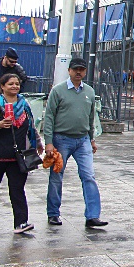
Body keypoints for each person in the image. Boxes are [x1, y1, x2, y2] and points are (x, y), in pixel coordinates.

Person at [45, 58, 108, 228]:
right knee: (57, 176)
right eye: (75, 69)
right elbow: (49, 117)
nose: (78, 72)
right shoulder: (58, 91)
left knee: (89, 176)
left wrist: (92, 139)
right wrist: (49, 142)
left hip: (83, 140)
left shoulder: (89, 91)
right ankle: (53, 213)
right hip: (61, 139)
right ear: (69, 71)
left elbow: (90, 117)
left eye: (82, 69)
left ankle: (92, 216)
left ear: (85, 71)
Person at [0, 73, 43, 233]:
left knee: (17, 188)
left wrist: (38, 142)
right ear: (2, 87)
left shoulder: (25, 105)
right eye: (10, 84)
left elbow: (31, 126)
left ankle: (21, 222)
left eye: (17, 84)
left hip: (18, 155)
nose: (14, 87)